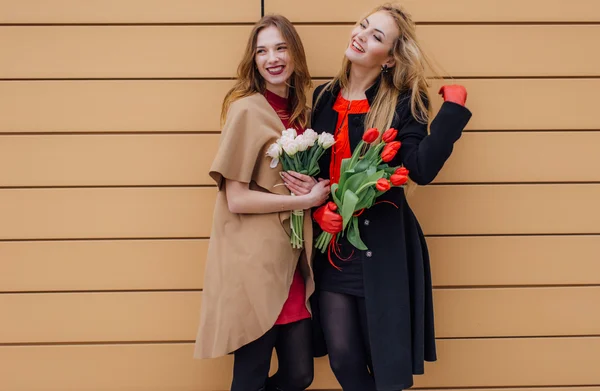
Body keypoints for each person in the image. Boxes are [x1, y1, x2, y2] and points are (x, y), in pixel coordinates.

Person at [281, 3, 472, 390]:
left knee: (387, 367)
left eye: (376, 36)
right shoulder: (322, 97)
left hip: (383, 247)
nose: (361, 36)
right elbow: (316, 173)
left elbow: (419, 169)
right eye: (363, 26)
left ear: (390, 58)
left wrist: (452, 113)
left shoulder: (404, 101)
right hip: (333, 248)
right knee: (343, 358)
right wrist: (316, 209)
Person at [193, 14, 331, 391]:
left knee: (300, 373)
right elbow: (235, 198)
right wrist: (302, 201)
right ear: (253, 60)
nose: (272, 58)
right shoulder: (246, 110)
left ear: (295, 53)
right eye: (262, 51)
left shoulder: (302, 114)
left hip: (293, 262)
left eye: (281, 47)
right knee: (250, 376)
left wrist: (318, 190)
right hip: (255, 265)